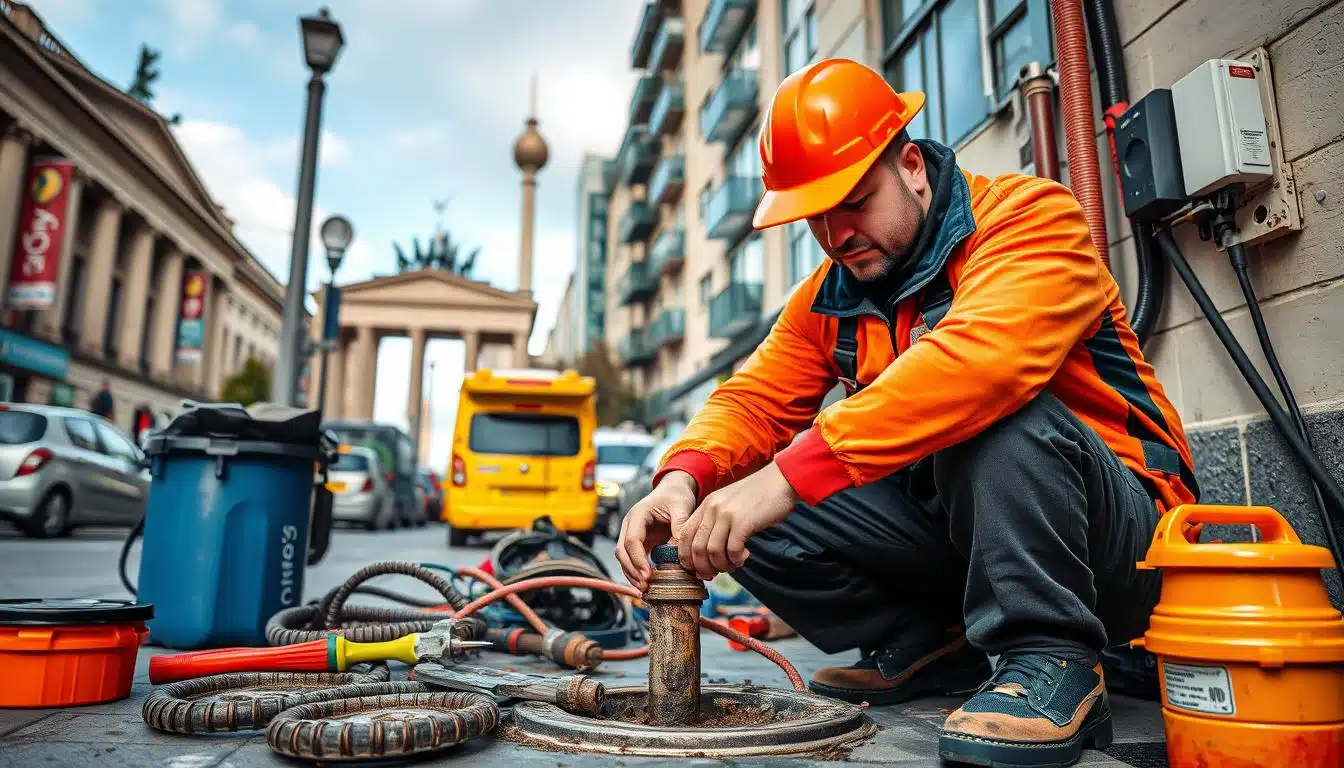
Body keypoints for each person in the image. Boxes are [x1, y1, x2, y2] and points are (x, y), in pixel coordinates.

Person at [616, 59, 1196, 768]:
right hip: (973, 537)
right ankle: (930, 641)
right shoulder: (829, 297)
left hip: (1132, 549)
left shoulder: (1030, 219)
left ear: (912, 165)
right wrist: (682, 479)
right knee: (726, 505)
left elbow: (982, 365)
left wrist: (787, 477)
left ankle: (1053, 658)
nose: (836, 233)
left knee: (987, 411)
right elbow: (753, 399)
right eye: (816, 218)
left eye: (854, 200)